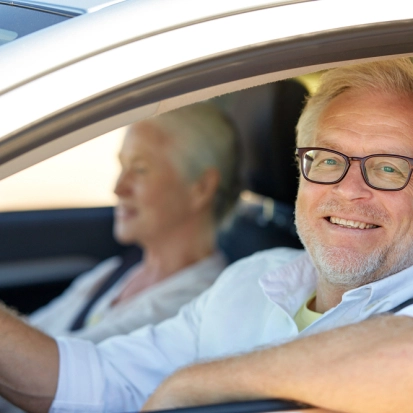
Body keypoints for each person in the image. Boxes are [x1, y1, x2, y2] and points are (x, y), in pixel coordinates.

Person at [1, 58, 413, 413]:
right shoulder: (250, 279)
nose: (348, 189)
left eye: (388, 168)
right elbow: (104, 384)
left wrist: (190, 387)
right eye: (327, 159)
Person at [24, 102, 240, 344]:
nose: (118, 188)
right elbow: (29, 335)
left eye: (140, 169)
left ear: (201, 187)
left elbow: (54, 369)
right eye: (122, 166)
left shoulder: (193, 305)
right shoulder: (116, 272)